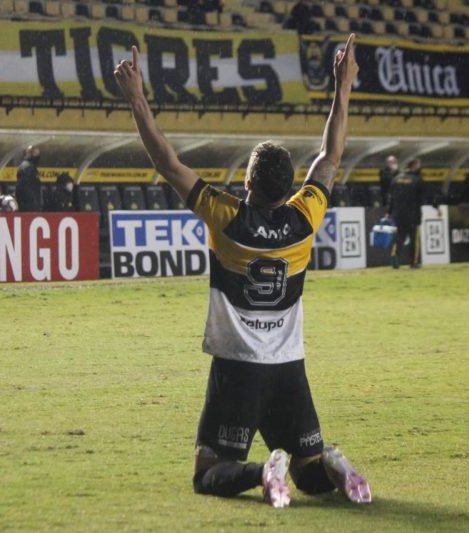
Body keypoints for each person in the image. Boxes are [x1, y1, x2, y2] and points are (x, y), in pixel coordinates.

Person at [114, 36, 371, 508]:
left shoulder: (226, 217)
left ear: (248, 182)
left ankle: (262, 471)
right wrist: (343, 87)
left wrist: (136, 98)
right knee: (310, 471)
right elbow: (330, 156)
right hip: (289, 366)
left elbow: (166, 163)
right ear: (291, 186)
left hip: (238, 367)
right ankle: (334, 464)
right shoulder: (305, 216)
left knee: (208, 473)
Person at [387, 158, 426, 269]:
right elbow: (422, 198)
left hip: (399, 213)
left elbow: (391, 197)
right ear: (414, 166)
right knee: (414, 239)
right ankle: (414, 261)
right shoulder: (417, 180)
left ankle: (395, 255)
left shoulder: (396, 179)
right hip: (413, 214)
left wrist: (389, 212)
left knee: (400, 236)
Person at [16, 146, 42, 212]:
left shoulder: (32, 167)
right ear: (30, 154)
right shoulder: (27, 167)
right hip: (29, 207)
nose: (38, 156)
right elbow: (24, 189)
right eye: (35, 153)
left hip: (32, 205)